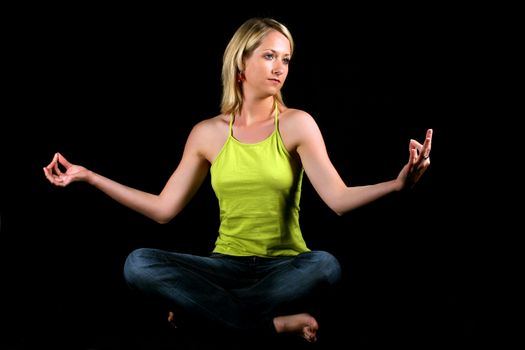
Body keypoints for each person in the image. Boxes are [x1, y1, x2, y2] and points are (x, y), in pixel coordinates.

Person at [43, 17, 432, 343]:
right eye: (268, 56)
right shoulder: (208, 133)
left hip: (286, 268)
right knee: (138, 263)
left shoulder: (297, 124)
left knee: (327, 266)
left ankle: (207, 312)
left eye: (286, 59)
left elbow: (338, 197)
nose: (280, 67)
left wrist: (397, 184)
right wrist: (91, 177)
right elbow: (164, 209)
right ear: (240, 64)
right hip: (222, 268)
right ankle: (272, 325)